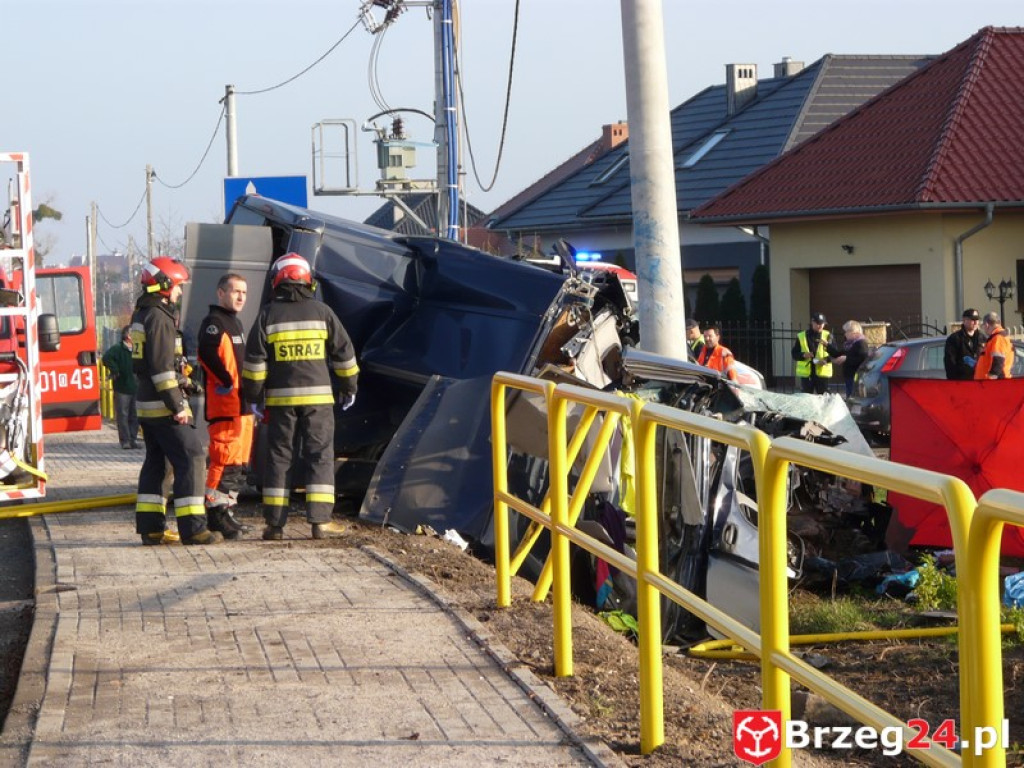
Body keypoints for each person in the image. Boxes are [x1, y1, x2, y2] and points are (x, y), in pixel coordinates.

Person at [242, 253, 359, 541]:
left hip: (281, 403)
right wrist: (349, 387)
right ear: (308, 280)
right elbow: (344, 354)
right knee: (319, 457)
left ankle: (274, 525)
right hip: (319, 403)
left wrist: (254, 397)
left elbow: (255, 363)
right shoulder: (323, 312)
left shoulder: (267, 315)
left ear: (277, 281)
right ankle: (320, 523)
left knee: (279, 459)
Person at [131, 257, 222, 546]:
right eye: (179, 286)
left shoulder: (144, 314)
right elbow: (161, 370)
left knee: (158, 464)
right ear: (166, 285)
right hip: (163, 406)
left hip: (147, 404)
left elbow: (157, 365)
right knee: (193, 457)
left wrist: (185, 382)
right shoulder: (159, 317)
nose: (180, 293)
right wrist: (178, 406)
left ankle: (152, 528)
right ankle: (194, 529)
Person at [197, 273, 254, 540]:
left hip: (241, 406)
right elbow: (206, 353)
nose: (241, 297)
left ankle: (227, 510)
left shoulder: (235, 323)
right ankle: (215, 514)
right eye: (235, 292)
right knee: (224, 460)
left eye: (244, 292)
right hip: (225, 405)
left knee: (238, 464)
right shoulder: (214, 323)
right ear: (221, 293)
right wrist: (226, 380)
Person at [101, 326, 140, 449]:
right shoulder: (117, 349)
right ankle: (125, 441)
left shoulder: (137, 349)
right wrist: (115, 369)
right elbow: (106, 358)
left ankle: (133, 439)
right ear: (128, 336)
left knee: (135, 415)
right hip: (122, 387)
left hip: (136, 387)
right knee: (123, 414)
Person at [792, 312, 841, 394]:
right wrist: (803, 355)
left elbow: (835, 354)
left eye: (822, 323)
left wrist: (826, 360)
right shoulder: (802, 336)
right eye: (818, 323)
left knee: (823, 400)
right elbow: (794, 354)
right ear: (812, 322)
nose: (820, 326)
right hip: (807, 374)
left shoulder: (828, 335)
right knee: (807, 399)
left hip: (822, 373)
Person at [944, 308, 985, 380]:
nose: (975, 322)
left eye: (977, 320)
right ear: (964, 320)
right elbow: (950, 362)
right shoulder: (955, 338)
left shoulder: (982, 338)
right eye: (973, 319)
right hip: (961, 381)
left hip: (979, 380)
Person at [833, 320, 870, 397]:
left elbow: (862, 360)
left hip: (855, 376)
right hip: (849, 376)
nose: (845, 334)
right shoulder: (849, 344)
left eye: (846, 332)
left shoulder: (861, 344)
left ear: (853, 332)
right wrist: (827, 346)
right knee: (849, 396)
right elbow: (839, 353)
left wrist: (846, 359)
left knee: (853, 398)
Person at [974, 311, 1015, 380]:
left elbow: (998, 361)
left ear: (986, 325)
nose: (983, 329)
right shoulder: (998, 337)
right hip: (992, 382)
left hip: (994, 384)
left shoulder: (998, 338)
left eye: (983, 326)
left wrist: (991, 379)